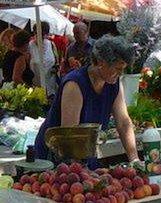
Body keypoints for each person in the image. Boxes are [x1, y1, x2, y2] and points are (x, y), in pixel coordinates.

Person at [34, 35, 140, 167]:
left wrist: (134, 160)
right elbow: (69, 136)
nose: (120, 74)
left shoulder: (114, 84)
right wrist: (84, 173)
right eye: (117, 69)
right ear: (101, 62)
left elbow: (123, 123)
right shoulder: (74, 84)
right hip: (55, 157)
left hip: (86, 153)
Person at [29, 23, 57, 97]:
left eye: (45, 34)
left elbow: (57, 62)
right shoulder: (29, 46)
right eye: (39, 33)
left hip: (51, 89)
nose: (42, 36)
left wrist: (55, 69)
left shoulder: (51, 44)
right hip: (36, 89)